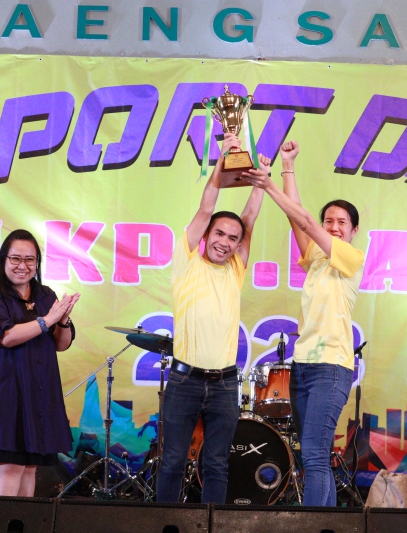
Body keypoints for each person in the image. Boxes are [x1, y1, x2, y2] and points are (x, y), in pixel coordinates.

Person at [242, 140, 365, 507]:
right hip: (304, 364)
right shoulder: (315, 259)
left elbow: (307, 221)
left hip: (331, 366)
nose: (334, 227)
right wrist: (288, 166)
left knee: (313, 455)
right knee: (313, 456)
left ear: (354, 230)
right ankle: (325, 522)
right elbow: (299, 221)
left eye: (342, 223)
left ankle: (314, 523)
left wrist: (269, 185)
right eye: (330, 221)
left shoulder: (351, 258)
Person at [156, 132, 267, 504]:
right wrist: (222, 160)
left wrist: (262, 182)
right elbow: (207, 207)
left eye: (233, 238)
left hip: (224, 385)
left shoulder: (236, 269)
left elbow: (249, 220)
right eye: (219, 233)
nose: (225, 241)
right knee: (172, 462)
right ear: (205, 234)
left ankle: (211, 527)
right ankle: (163, 526)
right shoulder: (187, 261)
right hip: (184, 380)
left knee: (217, 465)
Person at [0, 229, 80, 496]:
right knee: (11, 464)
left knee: (30, 466)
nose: (23, 266)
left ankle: (22, 519)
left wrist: (62, 320)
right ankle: (3, 518)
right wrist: (48, 320)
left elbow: (61, 344)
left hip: (39, 391)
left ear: (37, 263)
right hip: (6, 391)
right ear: (4, 260)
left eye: (30, 260)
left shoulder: (46, 295)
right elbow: (6, 337)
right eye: (16, 258)